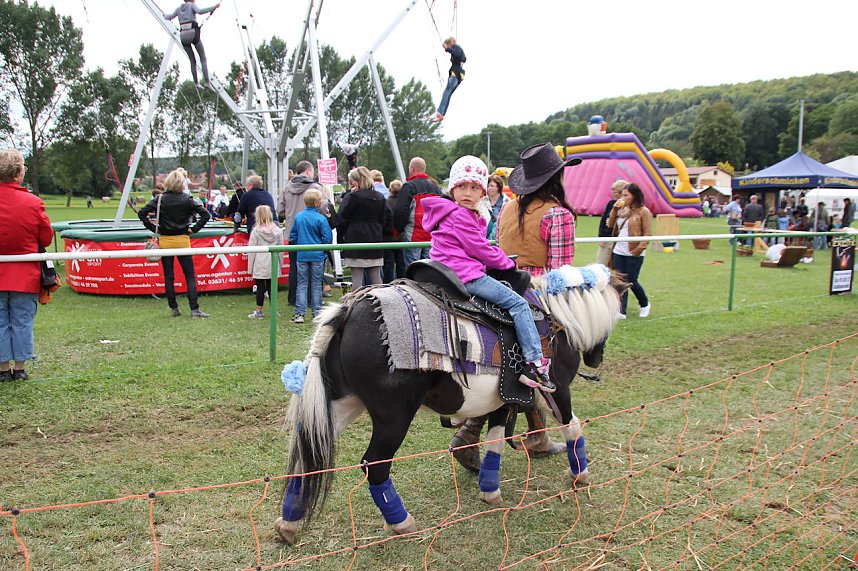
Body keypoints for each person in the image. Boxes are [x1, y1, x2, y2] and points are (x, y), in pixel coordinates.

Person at [422, 155, 555, 392]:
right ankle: (534, 362)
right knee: (518, 304)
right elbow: (480, 249)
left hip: (446, 270)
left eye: (474, 188)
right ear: (452, 189)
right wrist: (507, 263)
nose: (468, 192)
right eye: (462, 186)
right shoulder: (461, 215)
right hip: (465, 274)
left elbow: (475, 244)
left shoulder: (450, 212)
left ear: (483, 193)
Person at [0, 149, 53, 381]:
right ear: (18, 173)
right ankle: (20, 368)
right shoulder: (33, 202)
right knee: (22, 321)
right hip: (24, 275)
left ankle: (2, 370)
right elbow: (46, 238)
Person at [497, 143, 580, 277]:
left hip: (506, 284)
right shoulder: (558, 215)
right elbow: (560, 272)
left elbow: (500, 246)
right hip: (538, 289)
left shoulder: (506, 207)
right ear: (557, 177)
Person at [138, 168, 211, 318]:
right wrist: (194, 229)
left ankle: (174, 308)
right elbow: (206, 214)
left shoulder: (159, 199)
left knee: (169, 276)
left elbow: (142, 213)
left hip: (165, 240)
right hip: (183, 240)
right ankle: (194, 309)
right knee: (189, 275)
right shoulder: (187, 199)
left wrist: (154, 228)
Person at [277, 160, 325, 306]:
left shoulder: (286, 188)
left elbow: (279, 211)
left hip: (293, 233)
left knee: (295, 267)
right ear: (308, 171)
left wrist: (291, 215)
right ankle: (312, 300)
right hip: (313, 233)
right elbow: (324, 208)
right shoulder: (315, 187)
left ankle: (293, 298)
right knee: (314, 267)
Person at [338, 166, 389, 289]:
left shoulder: (355, 197)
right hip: (375, 238)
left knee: (357, 278)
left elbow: (344, 216)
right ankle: (382, 302)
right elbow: (383, 219)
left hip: (356, 239)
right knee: (376, 276)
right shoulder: (380, 197)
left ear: (357, 181)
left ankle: (356, 304)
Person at [608, 183, 652, 319]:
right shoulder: (622, 209)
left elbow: (648, 234)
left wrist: (638, 250)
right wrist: (614, 210)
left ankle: (644, 303)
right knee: (619, 281)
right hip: (619, 250)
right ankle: (621, 310)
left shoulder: (644, 212)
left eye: (626, 195)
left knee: (632, 280)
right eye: (622, 194)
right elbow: (610, 225)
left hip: (633, 251)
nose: (623, 197)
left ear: (634, 196)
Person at [288, 189, 332, 323]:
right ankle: (317, 312)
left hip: (302, 254)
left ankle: (300, 313)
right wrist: (323, 249)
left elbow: (293, 236)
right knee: (316, 284)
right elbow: (327, 237)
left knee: (302, 284)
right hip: (318, 255)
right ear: (317, 202)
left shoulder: (299, 217)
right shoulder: (321, 218)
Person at [393, 157, 442, 266]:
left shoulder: (408, 186)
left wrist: (397, 229)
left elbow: (401, 211)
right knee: (430, 269)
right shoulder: (435, 187)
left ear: (412, 169)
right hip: (431, 235)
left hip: (413, 236)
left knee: (412, 269)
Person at [163, 0, 220, 88]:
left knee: (192, 61)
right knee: (203, 58)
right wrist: (213, 7)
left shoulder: (178, 9)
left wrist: (164, 15)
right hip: (193, 33)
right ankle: (207, 82)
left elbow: (168, 17)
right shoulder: (192, 5)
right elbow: (200, 11)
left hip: (183, 36)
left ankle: (196, 83)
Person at [246, 205, 284, 320]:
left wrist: (250, 267)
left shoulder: (256, 231)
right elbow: (281, 249)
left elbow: (251, 250)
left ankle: (259, 311)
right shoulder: (278, 231)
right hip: (273, 261)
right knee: (272, 287)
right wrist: (280, 264)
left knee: (260, 288)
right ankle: (274, 311)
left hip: (260, 262)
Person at [430, 37, 466, 122]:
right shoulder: (458, 52)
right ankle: (441, 114)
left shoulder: (457, 48)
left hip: (455, 74)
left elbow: (457, 53)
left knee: (446, 92)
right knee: (448, 94)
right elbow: (461, 57)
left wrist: (448, 48)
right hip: (459, 75)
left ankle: (439, 112)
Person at [597, 179, 629, 266]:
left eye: (616, 193)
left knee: (616, 266)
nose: (613, 195)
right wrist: (601, 237)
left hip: (620, 240)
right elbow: (603, 221)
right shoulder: (611, 204)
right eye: (613, 192)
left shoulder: (629, 207)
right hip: (607, 238)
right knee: (601, 263)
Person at [383, 179, 406, 283]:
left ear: (390, 189)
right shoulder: (404, 204)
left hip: (387, 238)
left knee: (388, 265)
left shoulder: (386, 203)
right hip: (400, 237)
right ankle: (403, 282)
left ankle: (389, 284)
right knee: (401, 264)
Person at [482, 173, 509, 241]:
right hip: (485, 232)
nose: (489, 188)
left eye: (492, 186)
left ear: (498, 187)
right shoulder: (482, 201)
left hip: (502, 233)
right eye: (488, 186)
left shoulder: (507, 202)